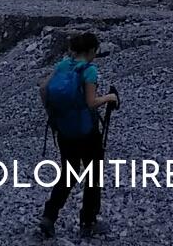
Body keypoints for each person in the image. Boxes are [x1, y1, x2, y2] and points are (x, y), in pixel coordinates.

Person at [40, 30, 118, 238]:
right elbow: (91, 102)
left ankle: (49, 216)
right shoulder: (89, 71)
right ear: (91, 50)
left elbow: (44, 89)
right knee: (93, 176)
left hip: (64, 131)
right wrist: (109, 97)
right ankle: (88, 222)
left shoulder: (62, 65)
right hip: (86, 132)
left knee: (69, 173)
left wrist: (55, 116)